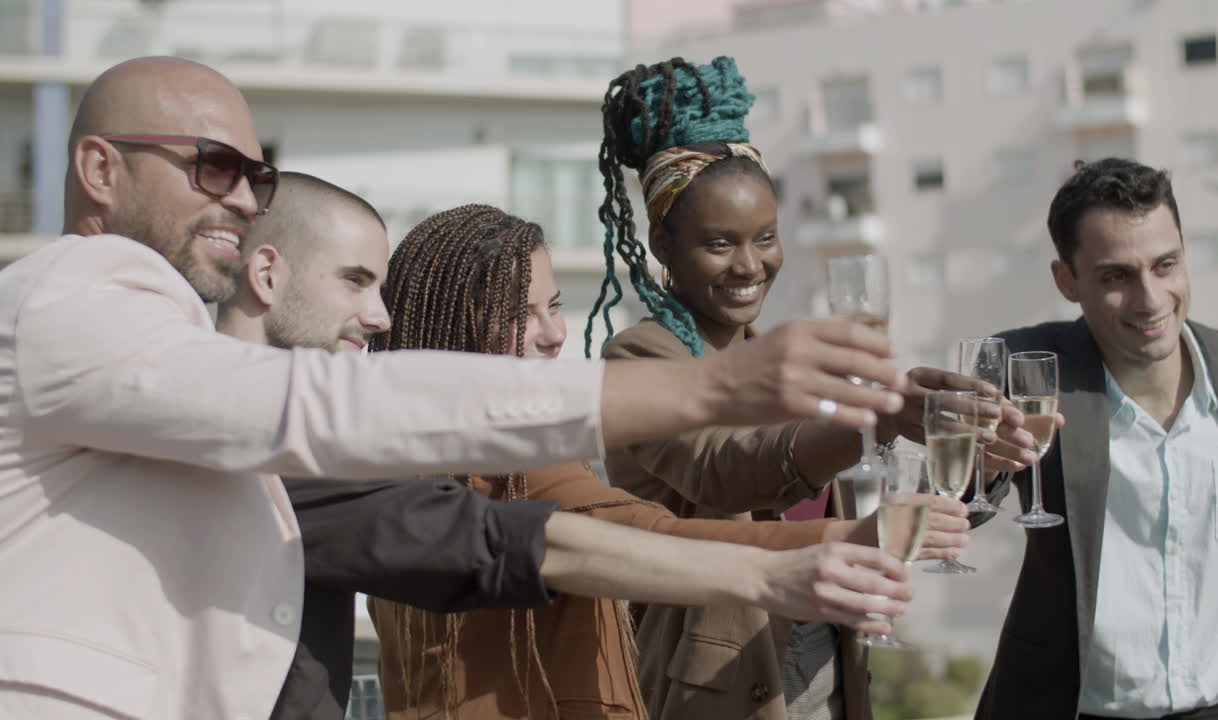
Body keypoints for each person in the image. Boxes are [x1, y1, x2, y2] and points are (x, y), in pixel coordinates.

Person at [0, 55, 913, 719]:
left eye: (258, 173)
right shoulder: (72, 300)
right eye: (213, 165)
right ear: (98, 169)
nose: (241, 196)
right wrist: (718, 395)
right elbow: (332, 419)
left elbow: (513, 543)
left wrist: (783, 569)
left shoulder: (214, 425)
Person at [214, 175, 923, 720]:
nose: (554, 334)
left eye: (554, 306)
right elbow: (628, 531)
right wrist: (837, 540)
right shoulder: (492, 469)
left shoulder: (374, 455)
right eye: (521, 315)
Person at [588, 56, 1039, 720]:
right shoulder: (640, 357)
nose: (750, 265)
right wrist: (876, 415)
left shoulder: (776, 358)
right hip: (715, 692)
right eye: (719, 243)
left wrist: (975, 469)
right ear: (663, 241)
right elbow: (729, 471)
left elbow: (873, 516)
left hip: (826, 678)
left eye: (765, 238)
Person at [975, 158, 1218, 720]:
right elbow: (957, 501)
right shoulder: (1032, 370)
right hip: (1078, 710)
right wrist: (983, 463)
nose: (1150, 298)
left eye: (1166, 265)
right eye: (1117, 276)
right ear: (1066, 281)